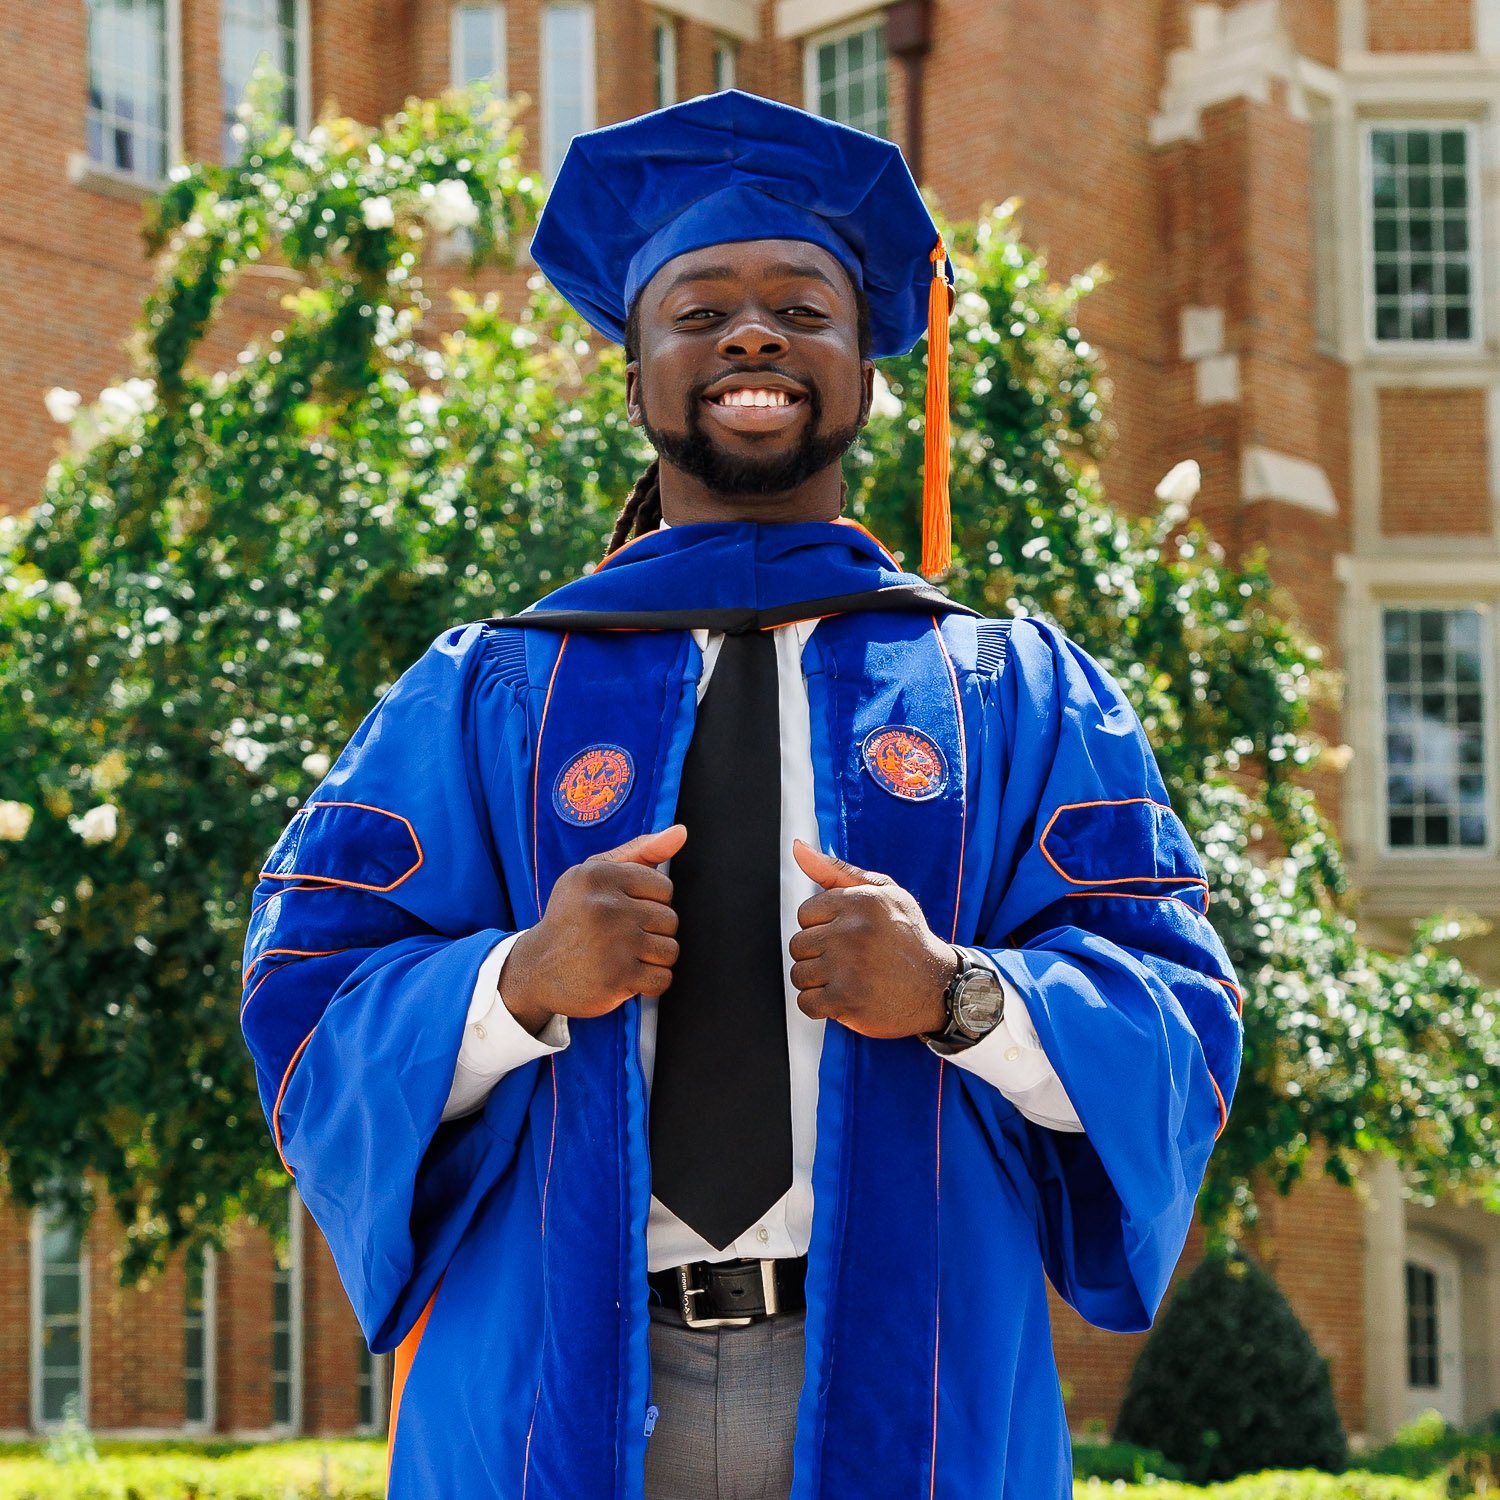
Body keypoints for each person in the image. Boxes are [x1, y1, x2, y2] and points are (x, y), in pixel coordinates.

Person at [240, 90, 1242, 1499]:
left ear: (869, 367)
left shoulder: (1010, 690)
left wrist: (958, 995)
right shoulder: (488, 692)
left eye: (801, 308)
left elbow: (1180, 1015)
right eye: (699, 310)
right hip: (552, 1384)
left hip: (916, 1379)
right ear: (637, 372)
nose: (752, 334)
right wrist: (519, 980)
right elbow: (305, 1000)